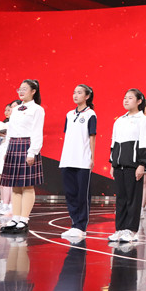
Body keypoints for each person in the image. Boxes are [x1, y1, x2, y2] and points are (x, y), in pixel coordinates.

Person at [0, 80, 45, 235]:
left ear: (33, 91)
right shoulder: (16, 109)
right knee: (15, 185)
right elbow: (10, 131)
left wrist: (32, 152)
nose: (21, 91)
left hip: (27, 145)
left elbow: (37, 131)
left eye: (25, 89)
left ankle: (24, 219)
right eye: (19, 89)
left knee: (27, 186)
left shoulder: (37, 109)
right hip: (13, 146)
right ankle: (15, 218)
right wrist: (7, 149)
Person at [108, 88, 146, 243]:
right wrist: (112, 163)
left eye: (130, 98)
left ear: (139, 101)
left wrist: (142, 164)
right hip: (119, 165)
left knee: (133, 199)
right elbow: (114, 142)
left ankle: (131, 231)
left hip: (133, 165)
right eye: (125, 97)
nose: (126, 100)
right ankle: (120, 229)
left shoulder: (143, 120)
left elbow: (145, 143)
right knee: (121, 199)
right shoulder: (119, 120)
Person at [59, 84, 97, 239]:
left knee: (82, 195)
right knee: (70, 194)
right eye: (74, 92)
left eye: (79, 93)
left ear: (87, 96)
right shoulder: (69, 114)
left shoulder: (90, 114)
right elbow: (68, 136)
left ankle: (81, 226)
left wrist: (92, 158)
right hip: (67, 159)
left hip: (82, 160)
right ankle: (74, 224)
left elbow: (92, 137)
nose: (75, 95)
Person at [0, 100, 20, 216]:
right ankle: (4, 203)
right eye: (10, 107)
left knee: (9, 179)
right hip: (2, 149)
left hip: (11, 150)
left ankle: (11, 205)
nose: (11, 110)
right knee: (2, 178)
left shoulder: (19, 123)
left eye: (13, 107)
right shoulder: (6, 123)